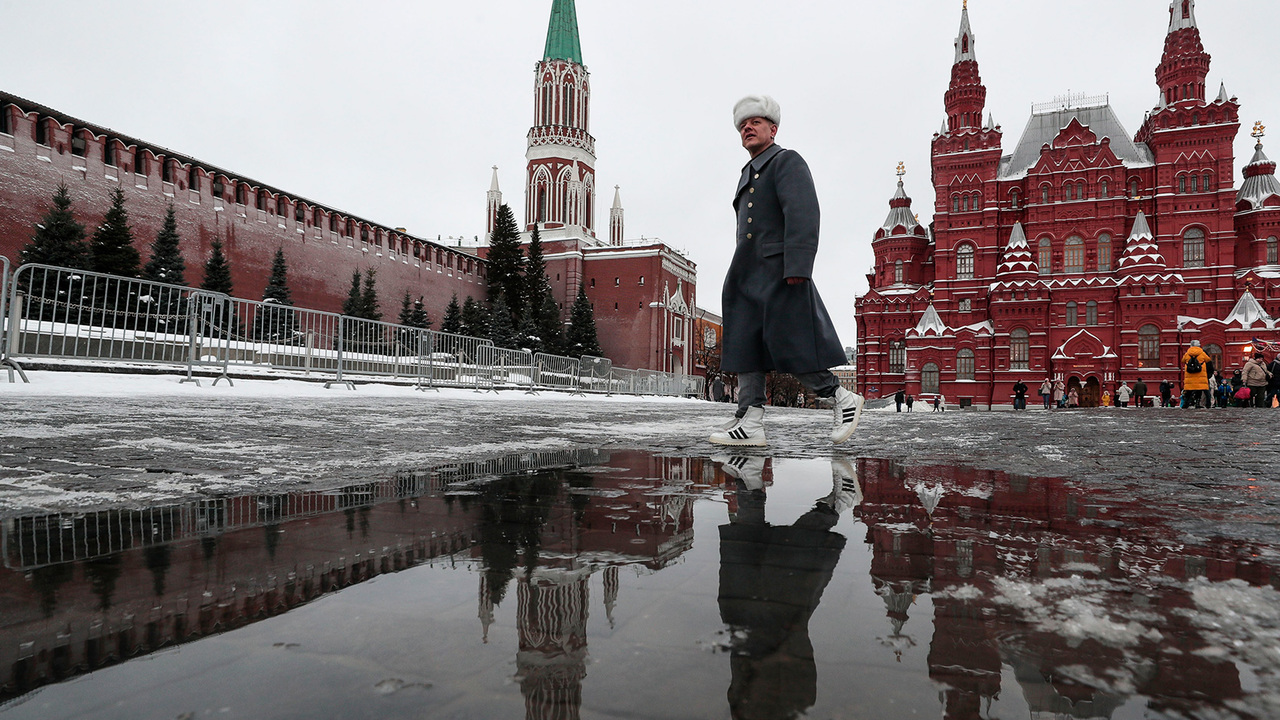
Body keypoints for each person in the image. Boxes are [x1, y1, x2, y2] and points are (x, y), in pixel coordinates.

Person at [710, 96, 863, 447]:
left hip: (778, 269)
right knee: (746, 343)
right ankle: (750, 419)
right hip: (747, 272)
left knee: (788, 342)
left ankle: (841, 397)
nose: (747, 128)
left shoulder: (785, 161)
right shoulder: (748, 172)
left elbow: (804, 212)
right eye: (742, 125)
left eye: (756, 122)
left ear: (773, 129)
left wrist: (798, 265)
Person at [1180, 340, 1212, 409]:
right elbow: (1208, 359)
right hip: (1200, 375)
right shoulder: (1202, 353)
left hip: (1190, 376)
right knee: (1203, 390)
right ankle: (1204, 404)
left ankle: (1185, 404)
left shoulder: (1187, 353)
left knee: (1188, 391)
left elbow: (1182, 360)